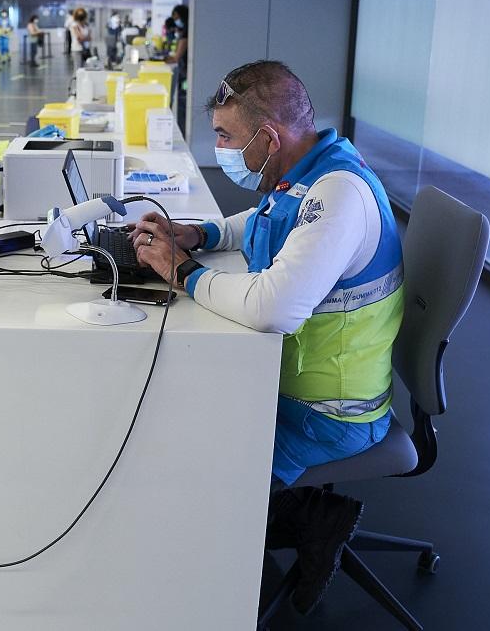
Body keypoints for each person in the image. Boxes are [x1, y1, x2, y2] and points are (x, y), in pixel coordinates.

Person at [129, 59, 403, 616]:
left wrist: (181, 270)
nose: (222, 148)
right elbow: (265, 215)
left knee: (202, 473)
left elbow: (272, 308)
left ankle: (231, 586)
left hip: (326, 413)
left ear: (268, 136)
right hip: (280, 381)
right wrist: (200, 232)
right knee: (181, 423)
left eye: (227, 137)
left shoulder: (339, 196)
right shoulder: (304, 172)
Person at [165, 4, 189, 129]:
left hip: (186, 74)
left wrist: (161, 60)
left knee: (182, 101)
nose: (175, 20)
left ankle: (182, 129)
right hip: (185, 71)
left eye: (176, 17)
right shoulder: (185, 30)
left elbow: (176, 57)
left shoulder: (186, 32)